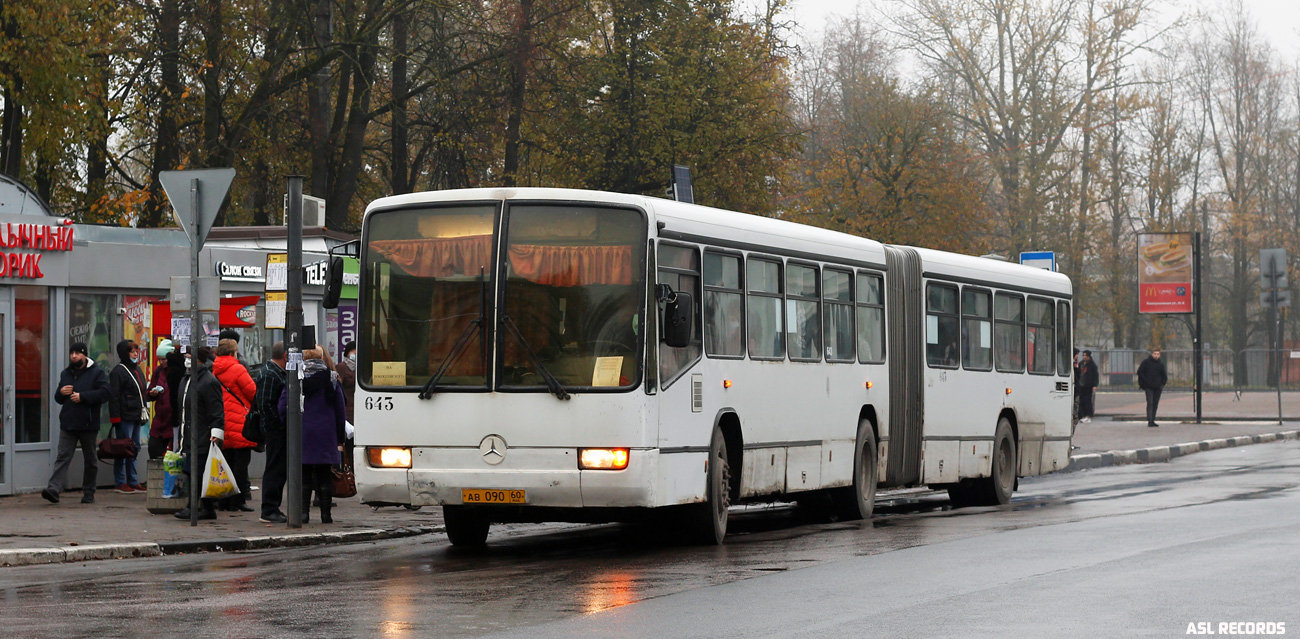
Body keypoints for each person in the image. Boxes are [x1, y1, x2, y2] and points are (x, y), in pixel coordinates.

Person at [279, 348, 347, 524]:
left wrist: (287, 426)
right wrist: (340, 434)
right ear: (321, 357)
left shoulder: (295, 378)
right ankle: (326, 514)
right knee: (324, 473)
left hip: (302, 431)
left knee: (304, 473)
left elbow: (283, 405)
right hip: (325, 432)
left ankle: (303, 513)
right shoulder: (331, 379)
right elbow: (340, 410)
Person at [42, 343, 112, 504]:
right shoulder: (66, 373)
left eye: (77, 353)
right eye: (72, 353)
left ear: (84, 355)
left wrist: (83, 396)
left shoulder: (97, 372)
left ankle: (89, 492)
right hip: (68, 423)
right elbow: (58, 399)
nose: (74, 356)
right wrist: (61, 392)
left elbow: (105, 393)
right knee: (62, 457)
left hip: (88, 423)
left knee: (90, 460)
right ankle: (53, 489)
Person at [174, 346, 225, 521]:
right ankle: (207, 508)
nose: (186, 359)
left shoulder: (209, 381)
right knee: (194, 470)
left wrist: (216, 433)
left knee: (198, 470)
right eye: (186, 356)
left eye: (190, 356)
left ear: (200, 360)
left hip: (203, 435)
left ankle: (194, 507)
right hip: (189, 433)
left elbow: (216, 410)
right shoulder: (187, 379)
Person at [212, 338, 258, 512]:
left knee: (225, 464)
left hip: (222, 422)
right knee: (240, 465)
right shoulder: (238, 369)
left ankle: (224, 500)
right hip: (240, 422)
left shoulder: (214, 370)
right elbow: (253, 392)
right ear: (233, 352)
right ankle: (237, 501)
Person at [108, 339, 157, 493]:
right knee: (123, 448)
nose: (135, 354)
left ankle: (133, 480)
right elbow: (114, 396)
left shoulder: (137, 369)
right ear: (125, 353)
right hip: (124, 416)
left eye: (136, 351)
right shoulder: (118, 371)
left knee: (134, 448)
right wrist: (115, 418)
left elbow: (141, 391)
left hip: (136, 415)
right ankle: (121, 481)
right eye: (132, 351)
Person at [255, 342, 289, 523]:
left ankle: (273, 507)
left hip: (277, 429)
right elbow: (266, 403)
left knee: (279, 468)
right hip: (275, 430)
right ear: (285, 356)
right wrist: (278, 425)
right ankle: (269, 508)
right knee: (275, 468)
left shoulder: (275, 372)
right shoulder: (270, 373)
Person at [147, 339, 177, 459]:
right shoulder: (158, 371)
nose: (161, 362)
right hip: (159, 421)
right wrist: (151, 394)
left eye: (163, 359)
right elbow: (148, 392)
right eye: (159, 359)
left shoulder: (177, 372)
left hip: (173, 420)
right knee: (153, 450)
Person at [1137, 348, 1168, 428]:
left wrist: (1162, 383)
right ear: (1152, 354)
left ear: (1159, 355)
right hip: (1148, 386)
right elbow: (1140, 372)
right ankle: (1150, 420)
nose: (1156, 356)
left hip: (1158, 387)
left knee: (1155, 403)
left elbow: (1164, 375)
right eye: (1155, 354)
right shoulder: (1146, 362)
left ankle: (1153, 419)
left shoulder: (1161, 364)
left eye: (1157, 354)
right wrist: (1145, 381)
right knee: (1150, 402)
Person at [1077, 350, 1099, 423]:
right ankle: (1082, 415)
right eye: (1083, 355)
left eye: (1086, 356)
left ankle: (1088, 415)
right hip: (1081, 385)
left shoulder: (1092, 365)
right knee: (1081, 401)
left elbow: (1096, 376)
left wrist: (1095, 385)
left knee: (1088, 401)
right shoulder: (1081, 364)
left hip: (1088, 385)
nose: (1084, 357)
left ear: (1089, 356)